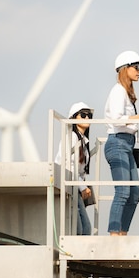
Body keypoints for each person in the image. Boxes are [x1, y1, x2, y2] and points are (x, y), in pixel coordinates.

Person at [104, 50, 139, 236]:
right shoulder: (118, 91)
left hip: (126, 144)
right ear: (125, 69)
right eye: (136, 66)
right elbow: (118, 119)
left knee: (134, 195)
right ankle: (114, 235)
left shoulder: (124, 92)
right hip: (118, 143)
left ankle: (121, 234)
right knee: (123, 191)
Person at [55, 101, 93, 236]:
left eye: (89, 115)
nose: (87, 118)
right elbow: (68, 165)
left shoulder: (83, 140)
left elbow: (79, 168)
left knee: (85, 229)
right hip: (68, 186)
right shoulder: (71, 137)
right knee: (81, 230)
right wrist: (82, 187)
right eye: (83, 115)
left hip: (74, 186)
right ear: (74, 118)